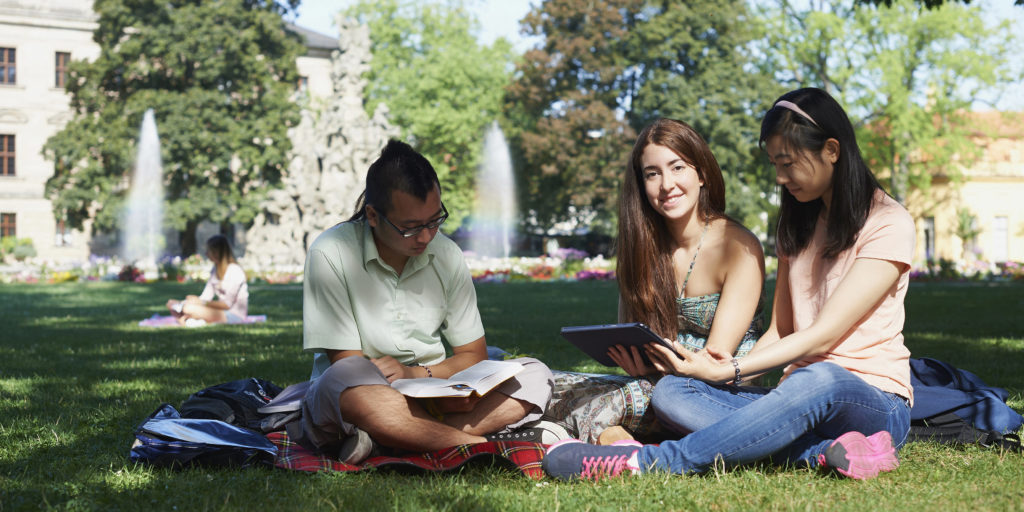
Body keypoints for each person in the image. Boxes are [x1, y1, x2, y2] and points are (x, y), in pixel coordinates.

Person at [543, 87, 915, 481]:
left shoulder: (888, 222)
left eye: (787, 163)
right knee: (672, 393)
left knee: (819, 377)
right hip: (792, 400)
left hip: (873, 402)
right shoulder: (798, 226)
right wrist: (710, 371)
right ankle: (825, 452)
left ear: (832, 151)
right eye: (774, 164)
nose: (779, 177)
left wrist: (730, 370)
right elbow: (780, 331)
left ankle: (649, 463)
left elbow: (822, 338)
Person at [294, 139, 554, 464]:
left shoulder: (446, 254)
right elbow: (346, 363)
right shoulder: (331, 252)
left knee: (532, 373)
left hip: (434, 387)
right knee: (346, 380)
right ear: (373, 216)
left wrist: (418, 375)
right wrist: (410, 383)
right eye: (410, 228)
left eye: (435, 220)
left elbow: (473, 353)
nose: (426, 237)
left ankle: (391, 441)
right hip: (365, 393)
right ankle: (478, 448)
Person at [540, 119, 766, 446]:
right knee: (551, 384)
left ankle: (614, 440)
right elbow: (627, 329)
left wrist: (652, 377)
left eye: (677, 167)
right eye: (652, 173)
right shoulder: (641, 248)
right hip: (656, 384)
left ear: (702, 174)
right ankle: (616, 439)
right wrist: (635, 363)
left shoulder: (738, 246)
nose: (666, 184)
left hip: (717, 392)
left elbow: (715, 361)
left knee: (604, 399)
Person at [166, 234, 248, 326]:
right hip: (219, 312)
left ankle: (187, 319)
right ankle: (188, 319)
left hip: (233, 315)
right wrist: (189, 301)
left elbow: (227, 305)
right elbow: (206, 297)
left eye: (209, 250)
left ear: (217, 252)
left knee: (188, 309)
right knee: (172, 304)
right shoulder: (215, 270)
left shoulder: (234, 271)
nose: (206, 254)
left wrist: (200, 302)